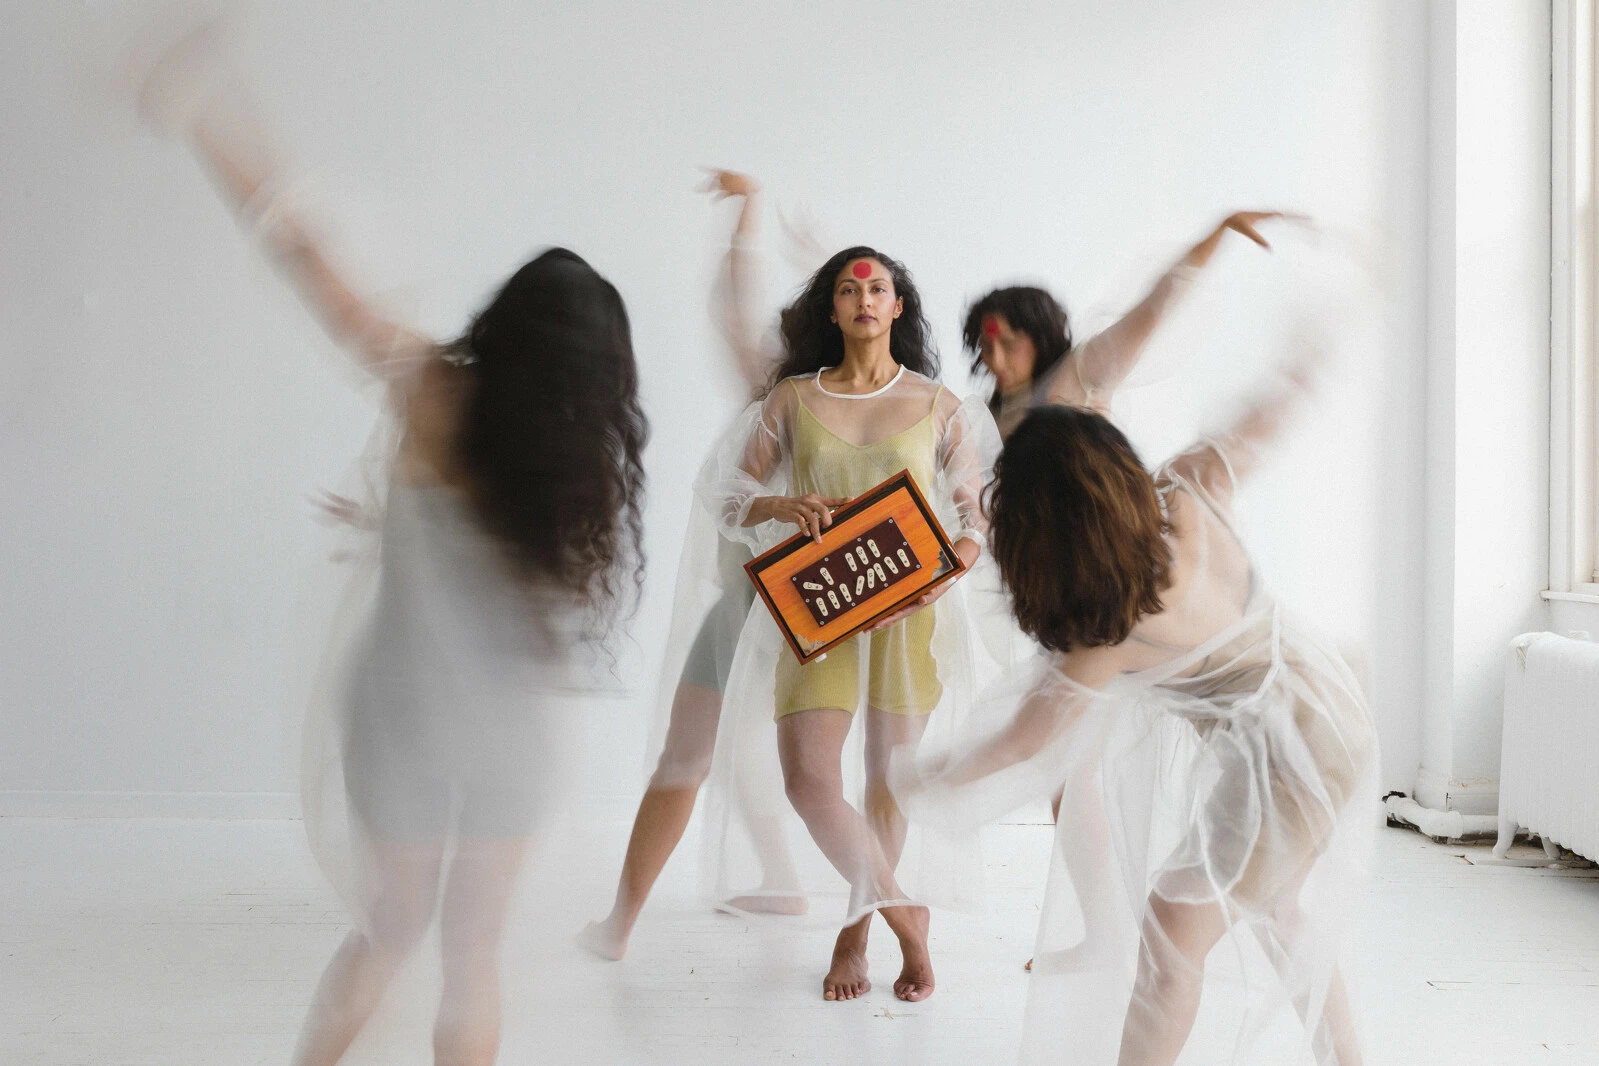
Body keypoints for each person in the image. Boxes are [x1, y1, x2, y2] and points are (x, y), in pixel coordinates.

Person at [137, 27, 647, 1065]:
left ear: (506, 321)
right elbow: (509, 580)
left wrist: (209, 116)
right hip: (510, 735)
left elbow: (303, 254)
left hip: (402, 721)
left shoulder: (431, 392)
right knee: (474, 955)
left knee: (389, 928)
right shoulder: (578, 465)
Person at [895, 348, 1375, 1063]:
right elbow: (1256, 421)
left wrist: (919, 779)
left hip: (1294, 751)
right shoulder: (1184, 489)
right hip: (1330, 702)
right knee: (1274, 907)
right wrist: (1304, 358)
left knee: (1172, 933)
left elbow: (1022, 741)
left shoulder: (1109, 630)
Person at [697, 244, 1002, 1002]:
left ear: (898, 306)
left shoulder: (938, 406)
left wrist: (955, 564)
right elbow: (729, 492)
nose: (863, 298)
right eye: (846, 288)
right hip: (818, 607)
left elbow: (976, 511)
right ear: (830, 311)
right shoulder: (789, 400)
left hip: (906, 610)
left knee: (886, 786)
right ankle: (906, 915)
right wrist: (779, 505)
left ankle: (854, 936)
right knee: (809, 781)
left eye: (878, 287)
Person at [580, 169, 808, 963]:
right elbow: (735, 310)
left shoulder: (804, 400)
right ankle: (778, 880)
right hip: (777, 603)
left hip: (773, 604)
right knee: (734, 753)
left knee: (704, 754)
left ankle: (620, 924)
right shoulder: (795, 396)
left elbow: (734, 312)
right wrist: (750, 218)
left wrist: (751, 220)